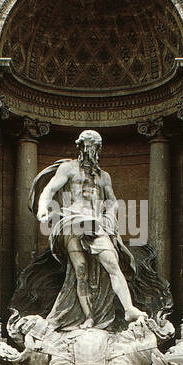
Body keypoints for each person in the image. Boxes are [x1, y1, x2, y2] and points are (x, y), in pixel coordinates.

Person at [32, 129, 146, 329]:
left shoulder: (104, 177)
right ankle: (89, 316)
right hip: (71, 220)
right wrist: (43, 208)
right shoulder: (68, 168)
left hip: (94, 223)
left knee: (112, 263)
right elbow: (50, 189)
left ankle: (128, 309)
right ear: (79, 146)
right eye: (86, 145)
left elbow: (112, 201)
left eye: (93, 146)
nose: (89, 150)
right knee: (81, 270)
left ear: (99, 149)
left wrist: (110, 216)